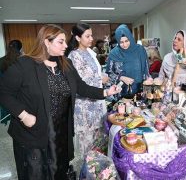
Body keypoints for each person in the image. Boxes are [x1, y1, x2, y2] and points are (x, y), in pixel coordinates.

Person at [0, 24, 120, 180]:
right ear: (46, 42)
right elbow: (4, 92)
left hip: (61, 132)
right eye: (60, 42)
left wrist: (105, 92)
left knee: (58, 170)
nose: (66, 45)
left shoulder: (66, 64)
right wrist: (23, 115)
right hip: (33, 133)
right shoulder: (25, 65)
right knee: (36, 173)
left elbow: (81, 87)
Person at [67, 23, 109, 169]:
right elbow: (79, 83)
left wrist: (102, 77)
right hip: (85, 106)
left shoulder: (90, 52)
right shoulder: (74, 56)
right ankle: (89, 173)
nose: (91, 38)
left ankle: (99, 172)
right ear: (78, 37)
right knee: (88, 146)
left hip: (96, 102)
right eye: (88, 36)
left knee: (99, 142)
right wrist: (100, 79)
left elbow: (94, 73)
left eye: (91, 35)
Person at [106, 24, 149, 98]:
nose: (125, 44)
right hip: (120, 91)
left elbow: (146, 69)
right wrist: (121, 77)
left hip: (140, 90)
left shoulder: (140, 50)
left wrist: (149, 80)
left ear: (130, 38)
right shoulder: (114, 53)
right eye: (121, 42)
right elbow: (109, 73)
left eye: (126, 41)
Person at [0, 40, 22, 125]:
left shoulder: (1, 60)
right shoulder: (23, 60)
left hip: (5, 93)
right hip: (19, 92)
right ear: (21, 48)